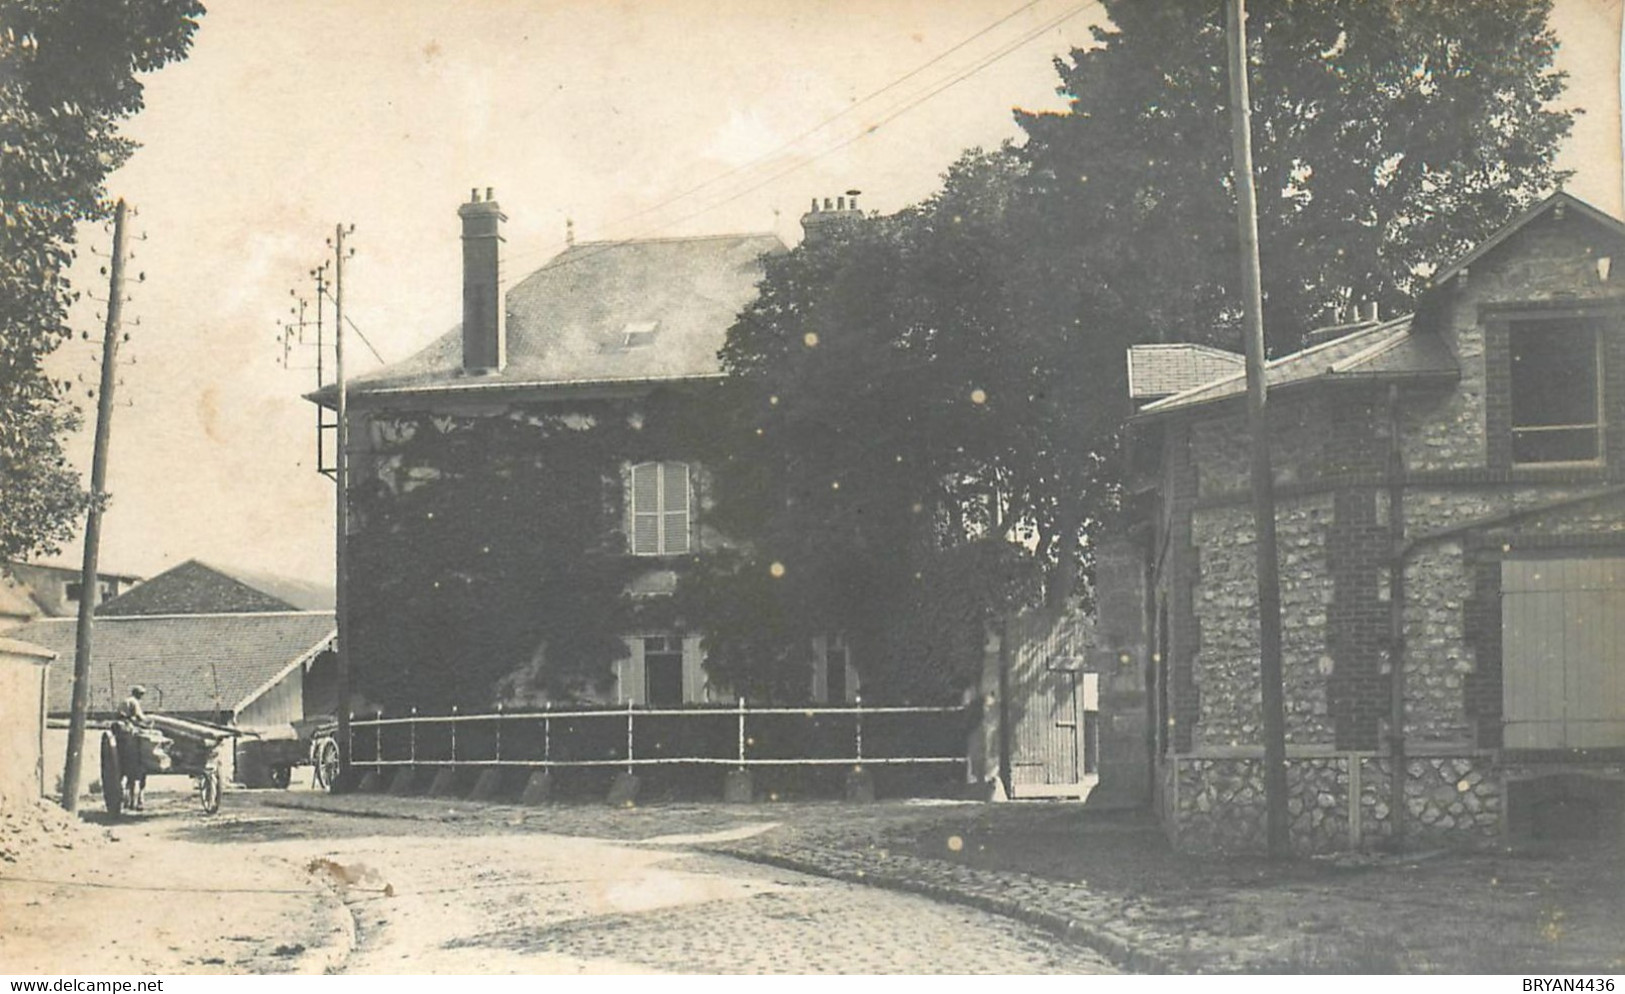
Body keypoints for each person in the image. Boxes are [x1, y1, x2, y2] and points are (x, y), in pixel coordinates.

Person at [114, 685, 153, 810]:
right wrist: (150, 721)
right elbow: (140, 717)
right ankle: (135, 800)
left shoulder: (126, 701)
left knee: (131, 779)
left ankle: (129, 801)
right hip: (127, 728)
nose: (142, 697)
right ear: (138, 694)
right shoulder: (133, 702)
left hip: (121, 729)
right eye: (141, 694)